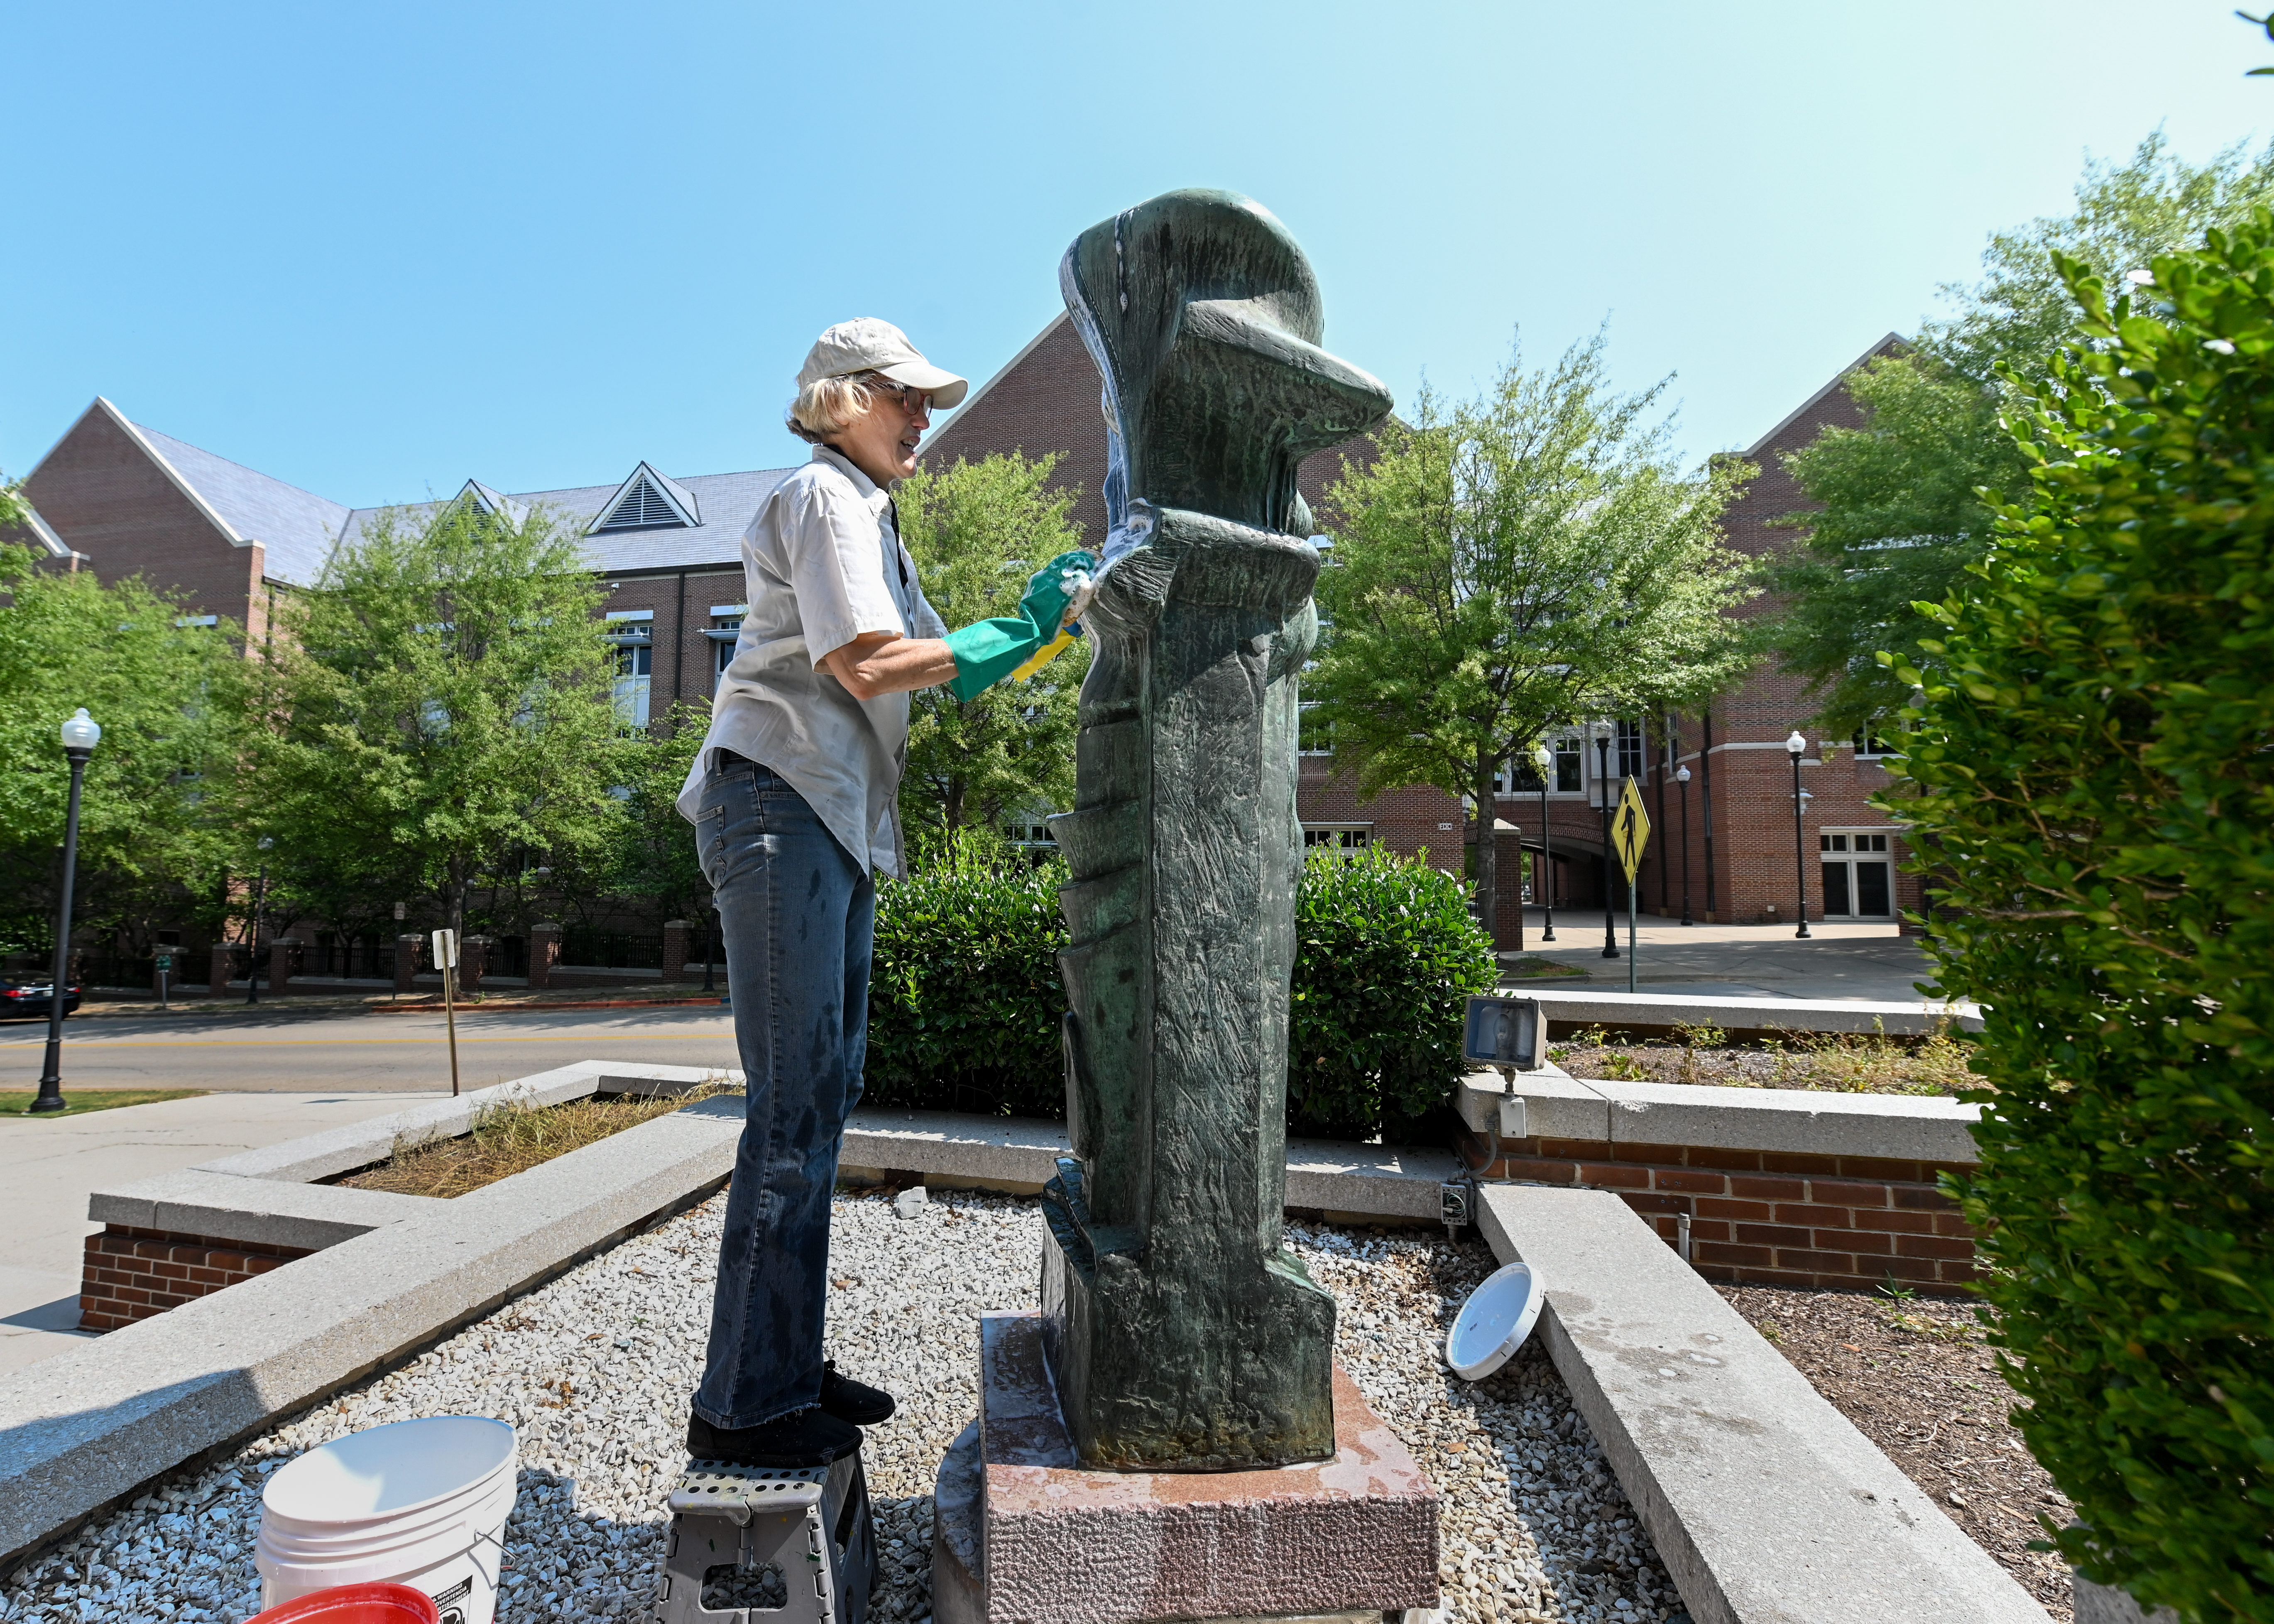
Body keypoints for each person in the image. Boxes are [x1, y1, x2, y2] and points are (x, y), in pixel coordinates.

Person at [678, 319, 1092, 1467]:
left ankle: (783, 1365)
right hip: (779, 804)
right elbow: (867, 663)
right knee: (793, 1106)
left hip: (829, 819)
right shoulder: (823, 500)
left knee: (823, 1096)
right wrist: (1009, 625)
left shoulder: (871, 521)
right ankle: (744, 1405)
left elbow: (934, 664)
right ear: (846, 398)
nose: (925, 421)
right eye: (908, 399)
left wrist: (1039, 626)